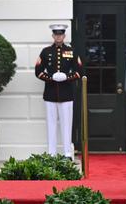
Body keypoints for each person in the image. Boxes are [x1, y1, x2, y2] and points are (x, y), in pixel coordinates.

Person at [35, 25, 82, 160]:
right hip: (50, 94)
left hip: (67, 94)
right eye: (56, 34)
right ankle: (51, 153)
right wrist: (51, 78)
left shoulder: (71, 51)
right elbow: (38, 71)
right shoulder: (46, 52)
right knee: (51, 125)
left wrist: (66, 77)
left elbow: (79, 71)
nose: (58, 37)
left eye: (60, 34)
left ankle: (67, 153)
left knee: (67, 124)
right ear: (53, 36)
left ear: (64, 36)